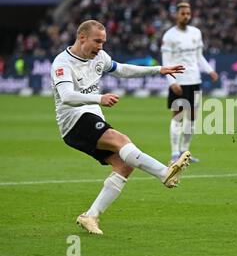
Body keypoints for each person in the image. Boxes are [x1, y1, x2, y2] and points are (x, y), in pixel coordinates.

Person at [51, 20, 192, 235]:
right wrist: (99, 98)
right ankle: (165, 173)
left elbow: (122, 70)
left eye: (103, 42)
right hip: (74, 121)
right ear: (81, 37)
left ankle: (90, 216)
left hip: (89, 117)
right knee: (121, 140)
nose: (100, 47)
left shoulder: (99, 57)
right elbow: (67, 96)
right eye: (97, 41)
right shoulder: (62, 63)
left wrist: (158, 70)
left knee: (124, 165)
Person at [161, 2, 219, 164]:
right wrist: (171, 82)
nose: (186, 16)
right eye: (183, 13)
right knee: (178, 118)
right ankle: (174, 153)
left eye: (188, 13)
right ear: (177, 15)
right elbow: (166, 61)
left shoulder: (196, 33)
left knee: (192, 118)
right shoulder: (169, 36)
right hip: (179, 82)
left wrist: (209, 70)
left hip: (195, 81)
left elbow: (199, 56)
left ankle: (184, 152)